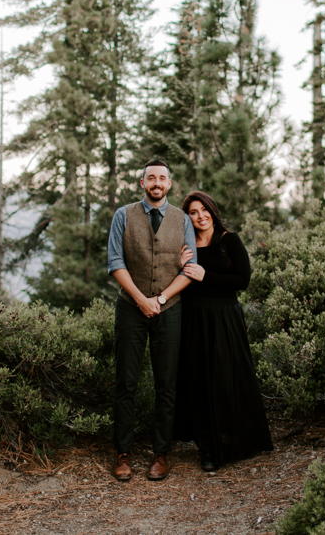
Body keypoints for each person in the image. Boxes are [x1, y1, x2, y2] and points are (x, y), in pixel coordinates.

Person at [106, 159, 197, 482]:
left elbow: (190, 269)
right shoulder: (123, 215)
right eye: (151, 178)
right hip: (130, 307)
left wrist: (158, 299)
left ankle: (161, 453)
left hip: (169, 309)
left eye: (162, 178)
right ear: (142, 183)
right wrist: (140, 300)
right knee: (126, 382)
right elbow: (115, 261)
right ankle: (123, 453)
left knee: (166, 384)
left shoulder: (182, 220)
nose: (156, 182)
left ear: (169, 184)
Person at [174, 191, 273, 471]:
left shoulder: (229, 240)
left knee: (224, 378)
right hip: (193, 317)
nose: (200, 216)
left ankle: (232, 441)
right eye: (193, 212)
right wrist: (182, 268)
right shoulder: (187, 244)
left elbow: (242, 280)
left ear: (212, 211)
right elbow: (181, 279)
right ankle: (207, 447)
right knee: (198, 380)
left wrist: (206, 275)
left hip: (224, 317)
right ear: (188, 217)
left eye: (204, 210)